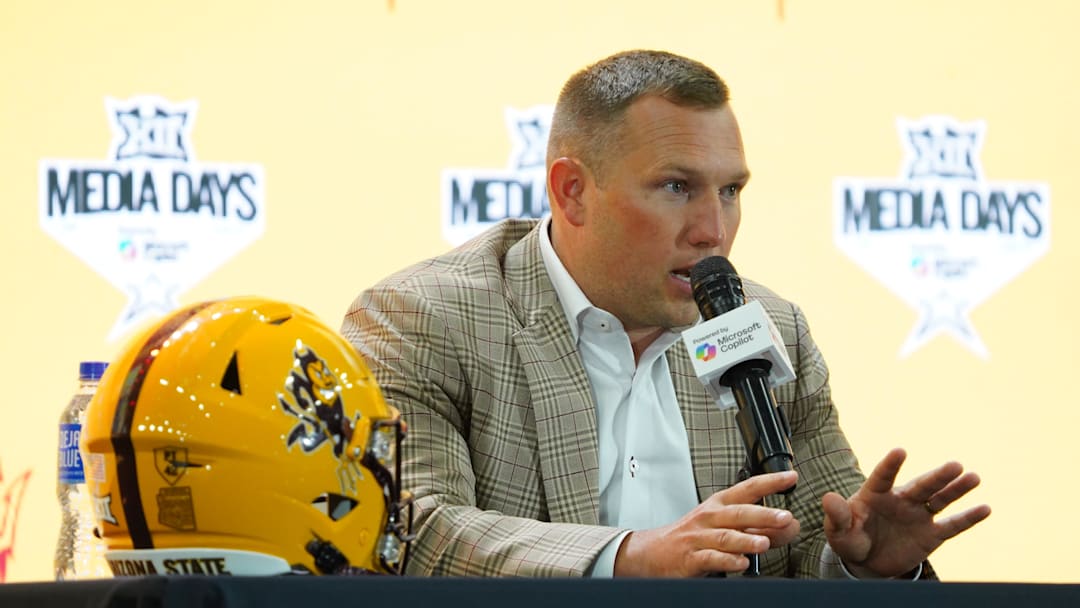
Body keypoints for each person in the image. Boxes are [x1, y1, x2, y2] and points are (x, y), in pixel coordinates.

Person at [341, 49, 990, 578]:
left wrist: (862, 568)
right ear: (572, 192)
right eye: (677, 187)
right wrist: (629, 558)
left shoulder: (770, 326)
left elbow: (819, 539)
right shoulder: (421, 319)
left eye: (731, 190)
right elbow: (407, 531)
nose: (714, 230)